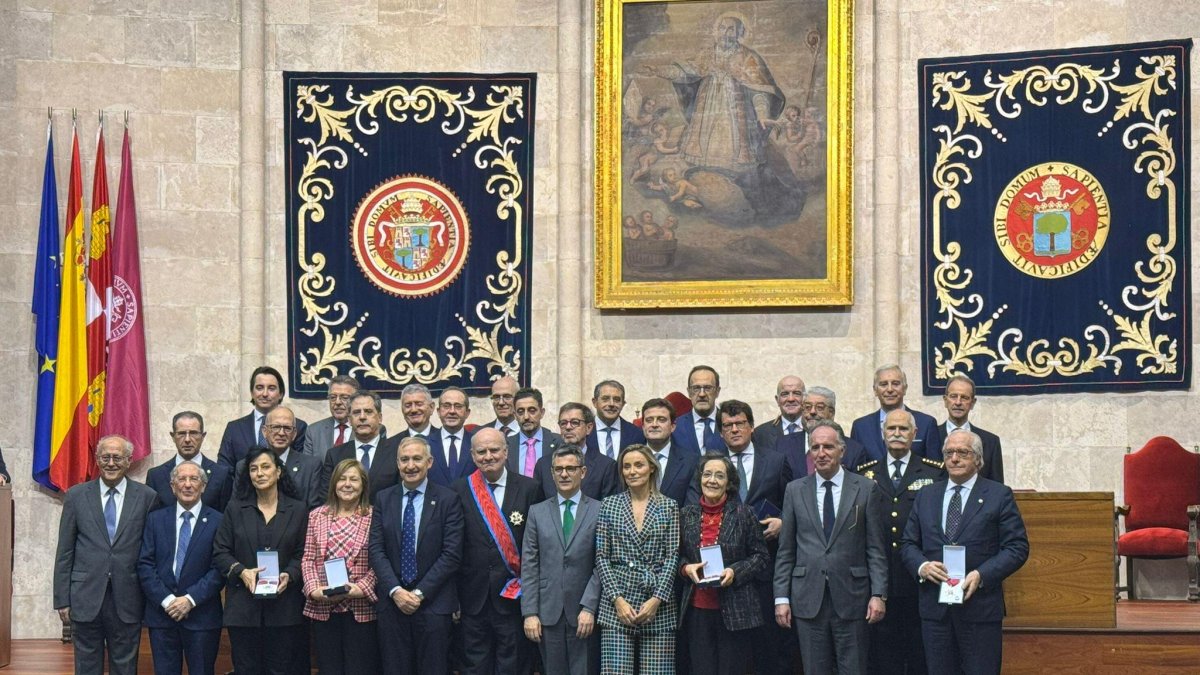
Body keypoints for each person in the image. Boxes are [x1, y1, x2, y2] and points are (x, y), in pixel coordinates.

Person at [901, 430, 1029, 675]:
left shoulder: (998, 495)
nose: (955, 458)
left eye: (963, 453)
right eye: (949, 453)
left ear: (978, 460)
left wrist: (982, 575)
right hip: (935, 610)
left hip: (979, 608)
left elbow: (1017, 547)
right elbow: (908, 543)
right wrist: (922, 566)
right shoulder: (927, 495)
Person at [774, 422, 888, 675]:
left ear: (842, 451)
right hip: (807, 598)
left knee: (854, 668)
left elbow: (875, 548)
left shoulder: (866, 488)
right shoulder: (795, 490)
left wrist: (879, 594)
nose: (821, 453)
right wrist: (781, 597)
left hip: (853, 597)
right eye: (815, 447)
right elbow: (786, 550)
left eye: (828, 446)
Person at [698, 400, 792, 675]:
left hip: (765, 569)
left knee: (768, 649)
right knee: (731, 655)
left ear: (751, 427)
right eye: (728, 426)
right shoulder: (711, 465)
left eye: (740, 424)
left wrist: (783, 521)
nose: (735, 430)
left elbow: (795, 502)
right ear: (721, 431)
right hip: (723, 573)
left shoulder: (775, 460)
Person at [54, 435, 159, 675]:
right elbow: (65, 551)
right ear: (97, 460)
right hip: (85, 596)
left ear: (129, 461)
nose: (111, 463)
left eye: (117, 457)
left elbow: (150, 552)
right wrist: (62, 598)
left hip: (129, 596)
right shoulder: (76, 496)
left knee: (125, 666)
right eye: (105, 457)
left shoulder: (147, 497)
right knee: (87, 665)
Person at [855, 410, 946, 675]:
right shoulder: (865, 474)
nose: (897, 433)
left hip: (919, 579)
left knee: (920, 653)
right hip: (878, 580)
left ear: (914, 434)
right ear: (882, 434)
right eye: (891, 428)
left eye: (903, 429)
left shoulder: (934, 471)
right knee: (883, 655)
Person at [370, 436, 464, 675]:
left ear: (429, 462)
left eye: (417, 459)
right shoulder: (383, 498)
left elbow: (451, 554)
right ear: (397, 464)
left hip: (434, 605)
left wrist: (419, 593)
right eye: (404, 459)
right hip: (393, 605)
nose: (410, 465)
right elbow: (376, 549)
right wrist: (396, 591)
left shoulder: (448, 499)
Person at [213, 446, 310, 675]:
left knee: (282, 669)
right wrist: (241, 571)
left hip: (285, 608)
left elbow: (304, 552)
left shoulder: (298, 509)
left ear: (279, 472)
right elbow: (221, 551)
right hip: (244, 609)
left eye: (265, 467)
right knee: (246, 669)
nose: (259, 473)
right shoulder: (235, 508)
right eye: (253, 469)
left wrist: (290, 574)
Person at [649, 13, 785, 173]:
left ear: (739, 33)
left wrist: (762, 114)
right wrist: (658, 70)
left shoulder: (748, 58)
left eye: (730, 29)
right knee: (703, 150)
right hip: (707, 106)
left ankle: (731, 174)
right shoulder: (706, 54)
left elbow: (759, 90)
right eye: (722, 28)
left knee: (733, 154)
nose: (725, 33)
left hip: (736, 109)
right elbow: (685, 73)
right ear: (716, 31)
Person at [454, 427, 541, 674]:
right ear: (472, 456)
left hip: (513, 596)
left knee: (513, 665)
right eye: (481, 452)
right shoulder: (459, 490)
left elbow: (536, 545)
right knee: (475, 666)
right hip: (472, 597)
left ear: (506, 452)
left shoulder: (529, 488)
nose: (488, 456)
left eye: (494, 450)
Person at [679, 454, 769, 675]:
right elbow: (677, 556)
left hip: (735, 609)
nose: (712, 480)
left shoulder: (744, 514)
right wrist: (686, 568)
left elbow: (761, 557)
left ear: (729, 483)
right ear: (700, 479)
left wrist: (735, 571)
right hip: (697, 609)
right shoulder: (685, 514)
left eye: (720, 476)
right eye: (707, 474)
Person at [595, 443, 681, 674]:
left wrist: (657, 599)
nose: (632, 471)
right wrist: (617, 600)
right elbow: (602, 557)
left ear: (651, 468)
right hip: (617, 603)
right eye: (626, 466)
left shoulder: (669, 506)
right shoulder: (609, 505)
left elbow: (672, 557)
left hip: (657, 603)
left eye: (638, 465)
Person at [521, 445, 602, 675]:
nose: (564, 474)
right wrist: (530, 613)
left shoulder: (599, 510)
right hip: (548, 613)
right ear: (552, 473)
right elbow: (529, 565)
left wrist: (589, 607)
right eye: (558, 469)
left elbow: (602, 563)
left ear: (583, 472)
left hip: (584, 612)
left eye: (570, 468)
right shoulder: (537, 512)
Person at [138, 461, 224, 675]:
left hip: (202, 616)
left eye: (194, 479)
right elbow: (145, 565)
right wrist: (168, 601)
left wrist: (189, 600)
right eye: (181, 479)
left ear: (203, 486)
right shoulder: (155, 519)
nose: (187, 484)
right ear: (172, 486)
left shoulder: (219, 521)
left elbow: (219, 568)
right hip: (162, 616)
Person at [302, 459, 380, 675]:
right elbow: (308, 558)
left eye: (354, 479)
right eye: (342, 479)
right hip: (324, 607)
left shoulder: (375, 516)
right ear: (334, 483)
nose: (347, 484)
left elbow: (381, 560)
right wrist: (313, 589)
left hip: (361, 608)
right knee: (329, 669)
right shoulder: (316, 516)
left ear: (363, 484)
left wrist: (362, 588)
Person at [217, 366, 308, 472]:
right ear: (252, 393)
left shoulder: (298, 426)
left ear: (281, 394)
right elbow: (224, 470)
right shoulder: (234, 428)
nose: (265, 394)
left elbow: (301, 468)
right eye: (259, 388)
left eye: (271, 388)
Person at [237, 406, 323, 509]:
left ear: (294, 434)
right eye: (276, 427)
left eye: (287, 428)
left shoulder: (311, 466)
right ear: (264, 431)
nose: (281, 433)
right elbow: (237, 507)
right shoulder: (244, 466)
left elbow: (314, 510)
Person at [850, 365, 940, 462]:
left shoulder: (926, 423)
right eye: (883, 384)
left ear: (905, 388)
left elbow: (935, 469)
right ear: (875, 390)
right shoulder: (860, 427)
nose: (889, 389)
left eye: (895, 384)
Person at [146, 411, 233, 512]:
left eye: (193, 433)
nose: (187, 439)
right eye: (181, 433)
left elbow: (226, 517)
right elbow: (152, 519)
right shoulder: (156, 476)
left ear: (203, 436)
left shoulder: (221, 474)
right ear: (173, 436)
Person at [321, 390, 397, 503]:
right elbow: (326, 496)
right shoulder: (334, 455)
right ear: (350, 420)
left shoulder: (395, 452)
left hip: (385, 518)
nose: (362, 417)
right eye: (356, 412)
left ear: (380, 418)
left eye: (368, 411)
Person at [777, 387, 869, 479]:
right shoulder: (783, 445)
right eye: (807, 407)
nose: (812, 412)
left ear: (831, 413)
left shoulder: (854, 450)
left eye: (820, 407)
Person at [534, 402, 618, 500]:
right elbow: (538, 507)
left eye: (575, 422)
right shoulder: (543, 465)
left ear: (589, 428)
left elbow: (609, 508)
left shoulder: (606, 466)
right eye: (563, 423)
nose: (568, 427)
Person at [935, 374, 1005, 483]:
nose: (958, 402)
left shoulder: (990, 442)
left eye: (964, 397)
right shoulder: (931, 436)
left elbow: (997, 489)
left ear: (972, 403)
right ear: (945, 400)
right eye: (953, 396)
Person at [643, 397, 697, 506]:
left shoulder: (691, 462)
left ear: (673, 426)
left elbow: (691, 507)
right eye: (649, 420)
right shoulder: (629, 459)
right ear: (643, 426)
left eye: (661, 420)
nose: (654, 424)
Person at [505, 387, 562, 480]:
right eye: (520, 412)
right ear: (515, 415)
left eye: (532, 410)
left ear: (542, 413)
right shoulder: (506, 445)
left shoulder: (559, 442)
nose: (526, 417)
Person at [303, 375, 361, 462]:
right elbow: (308, 468)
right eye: (333, 397)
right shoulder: (314, 431)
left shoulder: (366, 428)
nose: (337, 402)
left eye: (344, 398)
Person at [671, 365, 727, 454]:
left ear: (717, 391)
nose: (702, 394)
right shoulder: (675, 427)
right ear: (689, 392)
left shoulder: (730, 424)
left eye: (708, 388)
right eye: (696, 388)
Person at [587, 380, 645, 460]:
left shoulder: (636, 434)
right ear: (595, 402)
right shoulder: (583, 432)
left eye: (617, 400)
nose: (611, 404)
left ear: (623, 404)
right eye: (605, 399)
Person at [751, 375, 806, 453]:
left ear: (804, 398)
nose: (791, 399)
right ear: (777, 400)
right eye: (785, 394)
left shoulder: (814, 430)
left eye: (796, 393)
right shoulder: (761, 434)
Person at [434, 386, 477, 484]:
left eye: (458, 406)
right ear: (438, 412)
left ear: (467, 413)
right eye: (446, 406)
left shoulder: (476, 443)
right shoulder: (425, 444)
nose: (452, 411)